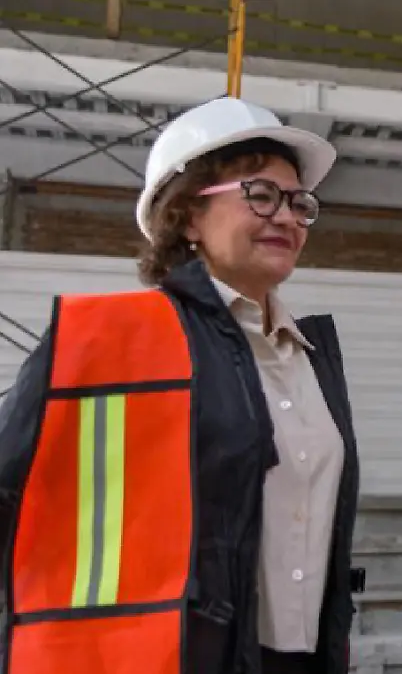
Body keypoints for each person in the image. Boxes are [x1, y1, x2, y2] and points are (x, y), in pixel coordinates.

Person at [0, 96, 363, 674]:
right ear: (188, 214)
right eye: (261, 195)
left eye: (299, 203)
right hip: (172, 656)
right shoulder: (110, 341)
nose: (289, 217)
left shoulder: (310, 356)